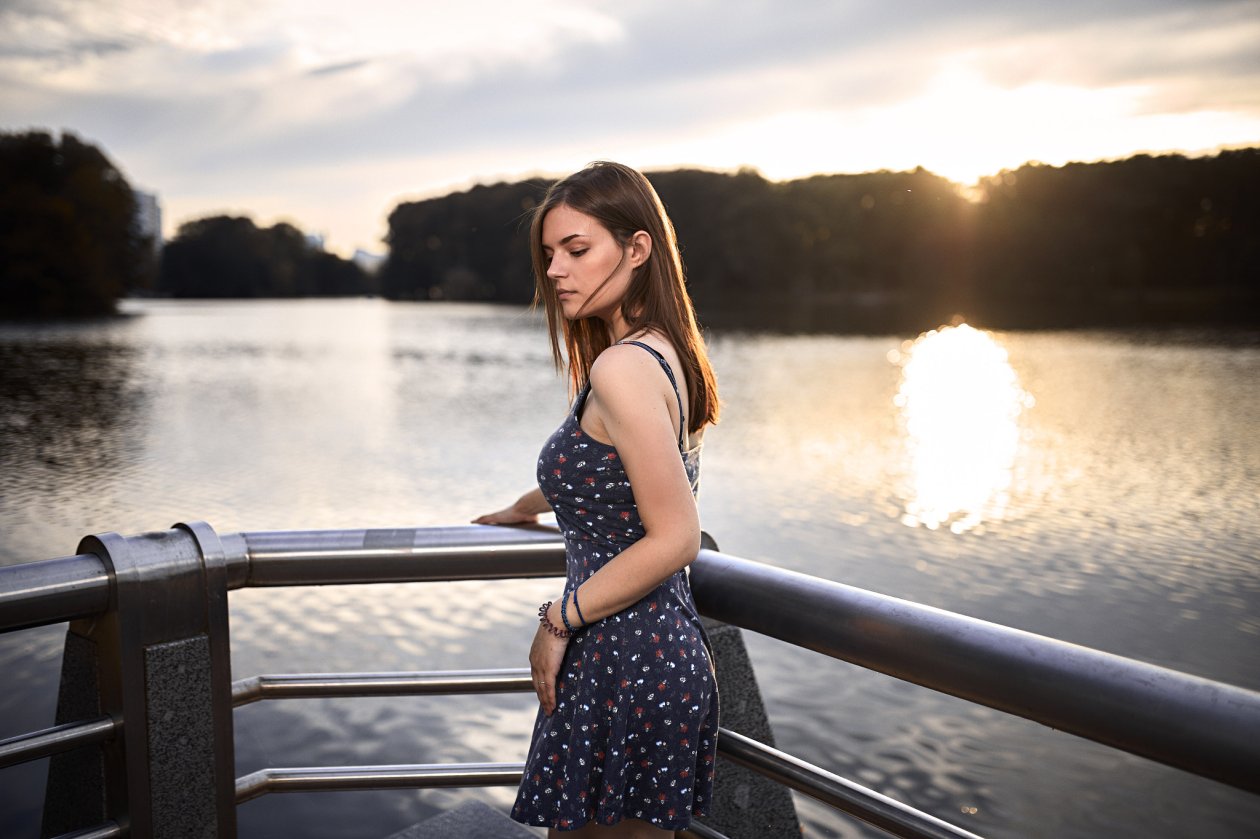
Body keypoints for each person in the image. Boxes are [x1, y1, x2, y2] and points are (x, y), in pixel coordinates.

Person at [474, 161, 721, 837]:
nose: (556, 270)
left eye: (577, 250)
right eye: (550, 254)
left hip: (628, 660)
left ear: (638, 249)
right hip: (642, 655)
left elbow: (677, 536)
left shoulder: (622, 367)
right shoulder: (663, 351)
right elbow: (619, 472)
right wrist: (531, 502)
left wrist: (558, 620)